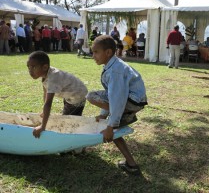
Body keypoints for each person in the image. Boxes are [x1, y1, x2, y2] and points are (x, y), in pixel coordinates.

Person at [86, 35, 147, 175]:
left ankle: (116, 117)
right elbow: (111, 94)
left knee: (91, 96)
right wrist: (104, 115)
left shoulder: (115, 71)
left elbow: (116, 99)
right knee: (113, 130)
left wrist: (110, 124)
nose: (93, 56)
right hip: (131, 100)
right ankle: (131, 165)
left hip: (131, 101)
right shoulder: (113, 65)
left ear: (108, 52)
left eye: (96, 52)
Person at [27, 51, 88, 138]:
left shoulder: (53, 78)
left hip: (77, 95)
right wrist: (44, 112)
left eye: (33, 67)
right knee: (68, 117)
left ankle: (76, 143)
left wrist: (42, 126)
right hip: (69, 94)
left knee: (69, 121)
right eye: (28, 67)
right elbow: (45, 92)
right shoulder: (45, 74)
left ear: (44, 67)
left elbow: (48, 103)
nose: (30, 71)